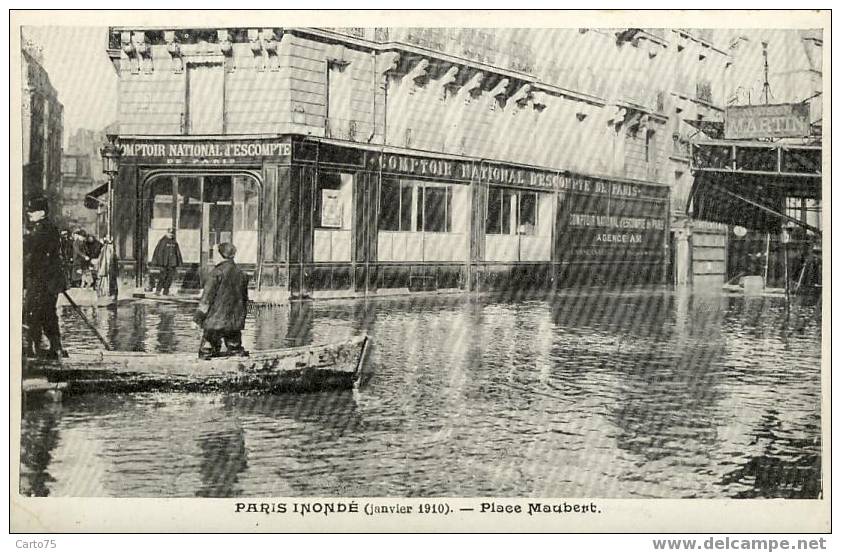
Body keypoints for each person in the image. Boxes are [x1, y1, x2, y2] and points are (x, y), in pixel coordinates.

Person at [23, 196, 67, 359]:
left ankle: (33, 348)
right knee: (47, 313)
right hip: (49, 280)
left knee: (33, 312)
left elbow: (32, 254)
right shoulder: (49, 228)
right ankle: (56, 348)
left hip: (42, 280)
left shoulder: (42, 230)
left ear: (41, 212)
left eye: (32, 211)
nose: (29, 214)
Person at [194, 243, 249, 359]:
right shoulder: (242, 274)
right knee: (235, 349)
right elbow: (244, 300)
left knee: (207, 351)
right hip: (234, 323)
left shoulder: (216, 273)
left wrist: (197, 319)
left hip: (215, 322)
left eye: (214, 254)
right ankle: (236, 363)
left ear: (220, 255)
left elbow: (206, 299)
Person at [151, 228, 183, 295]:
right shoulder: (162, 241)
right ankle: (158, 291)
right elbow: (159, 252)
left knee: (169, 278)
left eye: (172, 233)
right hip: (164, 264)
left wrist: (179, 262)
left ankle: (166, 291)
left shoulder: (174, 242)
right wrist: (159, 263)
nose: (171, 235)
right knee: (162, 277)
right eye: (170, 233)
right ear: (167, 233)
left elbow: (177, 253)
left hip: (172, 264)